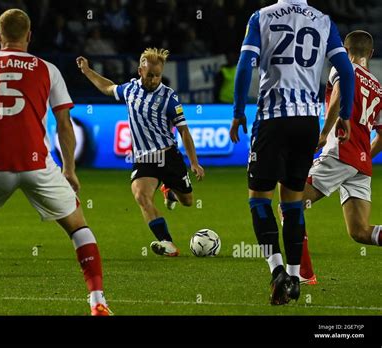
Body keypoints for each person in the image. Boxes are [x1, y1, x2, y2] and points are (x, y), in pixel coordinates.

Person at [0, 9, 111, 316]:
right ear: (29, 35)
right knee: (77, 226)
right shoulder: (48, 70)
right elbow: (64, 124)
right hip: (38, 166)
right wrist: (69, 169)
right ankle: (98, 301)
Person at [230, 0, 355, 305]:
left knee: (259, 199)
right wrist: (346, 115)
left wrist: (237, 111)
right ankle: (295, 276)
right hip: (307, 123)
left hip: (273, 119)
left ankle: (276, 271)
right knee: (292, 202)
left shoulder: (262, 17)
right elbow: (346, 71)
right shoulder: (323, 21)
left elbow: (245, 64)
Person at [76, 48, 205, 257]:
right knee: (141, 196)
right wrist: (87, 71)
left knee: (188, 201)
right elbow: (108, 87)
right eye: (150, 75)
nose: (153, 79)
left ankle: (169, 190)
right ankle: (167, 243)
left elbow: (184, 131)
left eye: (157, 75)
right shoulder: (130, 90)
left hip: (168, 155)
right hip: (145, 158)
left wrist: (194, 163)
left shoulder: (169, 98)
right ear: (140, 71)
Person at [298, 30, 382, 283]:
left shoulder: (343, 68)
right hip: (361, 163)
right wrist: (364, 155)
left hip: (339, 153)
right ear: (371, 53)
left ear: (345, 51)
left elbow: (338, 96)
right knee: (360, 232)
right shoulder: (378, 87)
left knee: (289, 202)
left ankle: (304, 274)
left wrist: (324, 133)